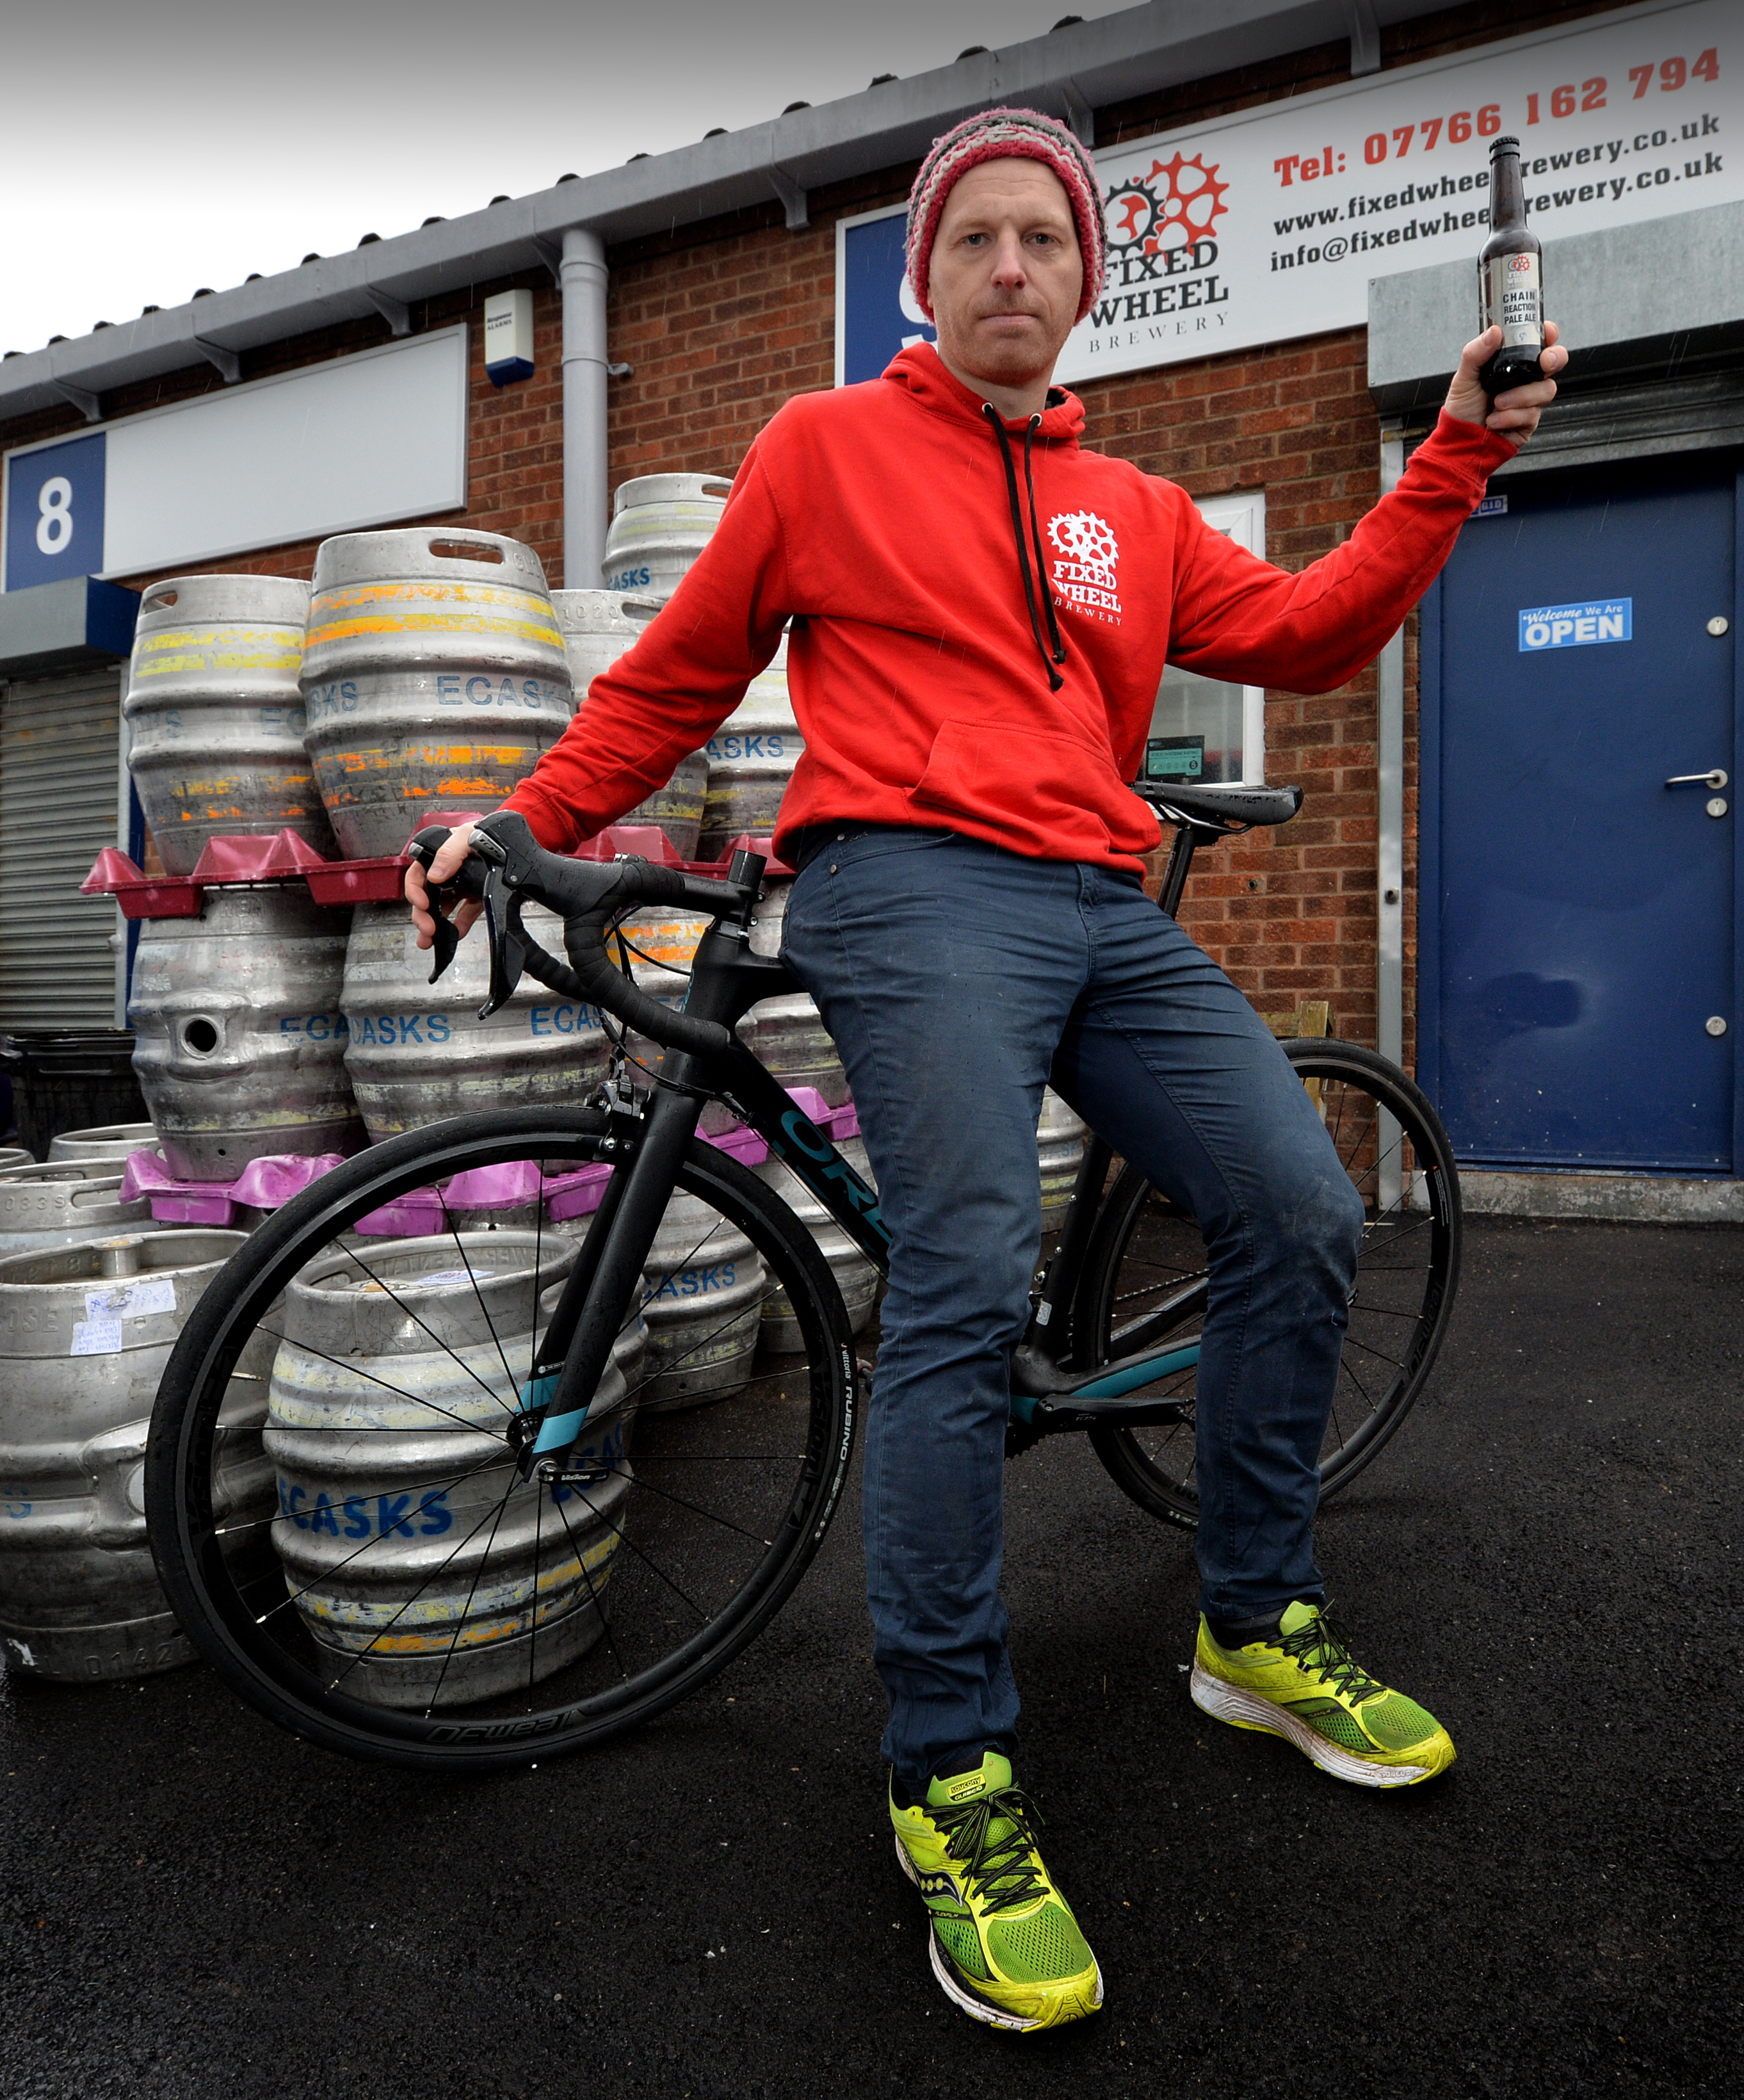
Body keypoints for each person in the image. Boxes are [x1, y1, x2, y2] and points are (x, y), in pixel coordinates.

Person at [408, 106, 1566, 2035]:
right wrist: (518, 810)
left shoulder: (1129, 506)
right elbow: (674, 677)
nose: (1014, 268)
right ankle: (949, 1765)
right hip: (903, 883)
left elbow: (1304, 634)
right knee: (960, 1277)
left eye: (1048, 241)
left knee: (1292, 1204)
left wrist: (1450, 454)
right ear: (927, 278)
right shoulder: (823, 448)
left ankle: (1255, 1622)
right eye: (980, 242)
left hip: (1101, 902)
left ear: (1085, 279)